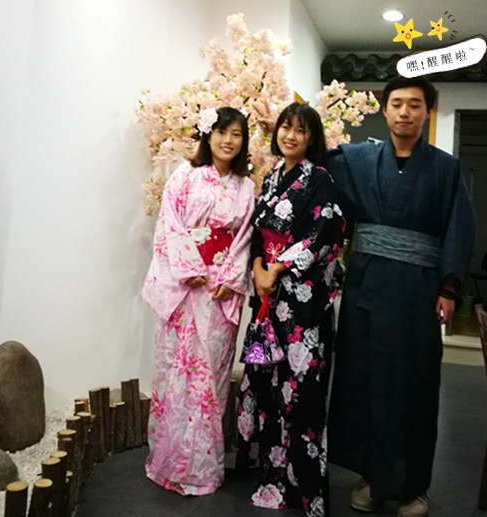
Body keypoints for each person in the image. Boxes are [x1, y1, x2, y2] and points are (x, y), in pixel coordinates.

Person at [325, 77, 476, 517]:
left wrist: (448, 287)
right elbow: (316, 162)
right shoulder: (358, 159)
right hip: (367, 287)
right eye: (396, 103)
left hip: (418, 290)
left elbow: (460, 225)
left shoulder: (446, 168)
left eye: (414, 104)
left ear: (428, 110)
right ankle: (371, 477)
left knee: (414, 385)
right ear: (384, 109)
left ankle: (412, 487)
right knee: (363, 380)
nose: (404, 112)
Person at [236, 102, 345, 517]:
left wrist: (278, 267)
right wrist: (259, 269)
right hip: (268, 302)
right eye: (286, 127)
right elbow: (256, 234)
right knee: (267, 389)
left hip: (303, 309)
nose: (291, 136)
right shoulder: (270, 178)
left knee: (302, 395)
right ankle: (271, 479)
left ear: (311, 138)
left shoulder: (320, 180)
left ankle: (306, 490)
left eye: (301, 130)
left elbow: (325, 234)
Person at [141, 107, 255, 495]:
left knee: (212, 377)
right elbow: (169, 226)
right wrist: (188, 267)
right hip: (184, 287)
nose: (228, 140)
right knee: (176, 372)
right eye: (222, 132)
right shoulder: (185, 176)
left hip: (219, 291)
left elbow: (245, 239)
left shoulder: (246, 187)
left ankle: (204, 468)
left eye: (236, 134)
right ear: (208, 135)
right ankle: (168, 462)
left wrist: (231, 277)